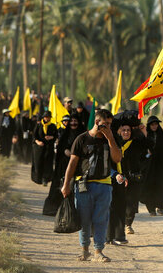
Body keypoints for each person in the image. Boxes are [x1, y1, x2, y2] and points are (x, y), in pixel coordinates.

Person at [61, 108, 122, 263]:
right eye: (105, 124)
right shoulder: (81, 139)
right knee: (84, 219)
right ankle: (84, 250)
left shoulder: (112, 139)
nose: (108, 127)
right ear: (96, 122)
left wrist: (111, 139)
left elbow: (117, 158)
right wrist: (66, 184)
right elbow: (72, 163)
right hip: (83, 186)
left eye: (110, 124)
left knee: (101, 219)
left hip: (104, 185)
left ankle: (98, 251)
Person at [43, 113, 86, 216]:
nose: (73, 123)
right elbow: (61, 148)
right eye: (71, 121)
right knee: (60, 185)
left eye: (75, 121)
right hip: (64, 165)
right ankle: (55, 209)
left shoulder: (83, 135)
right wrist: (65, 151)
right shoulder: (65, 135)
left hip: (79, 166)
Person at [122, 122, 153, 235]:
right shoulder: (116, 143)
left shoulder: (136, 143)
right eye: (124, 130)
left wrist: (144, 131)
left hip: (134, 176)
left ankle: (128, 224)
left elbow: (150, 145)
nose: (126, 132)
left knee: (132, 201)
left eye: (128, 130)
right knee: (120, 201)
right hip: (119, 176)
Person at [140, 115, 163, 216]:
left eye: (156, 124)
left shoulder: (161, 135)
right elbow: (141, 151)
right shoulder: (145, 136)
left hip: (161, 167)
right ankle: (151, 209)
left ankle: (161, 207)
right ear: (149, 125)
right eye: (152, 124)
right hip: (149, 168)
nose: (154, 126)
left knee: (160, 186)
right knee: (149, 186)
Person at [31, 110, 57, 185]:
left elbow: (56, 136)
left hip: (48, 147)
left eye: (48, 117)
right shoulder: (39, 125)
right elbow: (34, 136)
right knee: (38, 163)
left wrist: (51, 137)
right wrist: (38, 142)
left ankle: (45, 179)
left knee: (47, 163)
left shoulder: (52, 126)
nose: (47, 119)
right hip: (38, 148)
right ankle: (38, 178)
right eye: (46, 117)